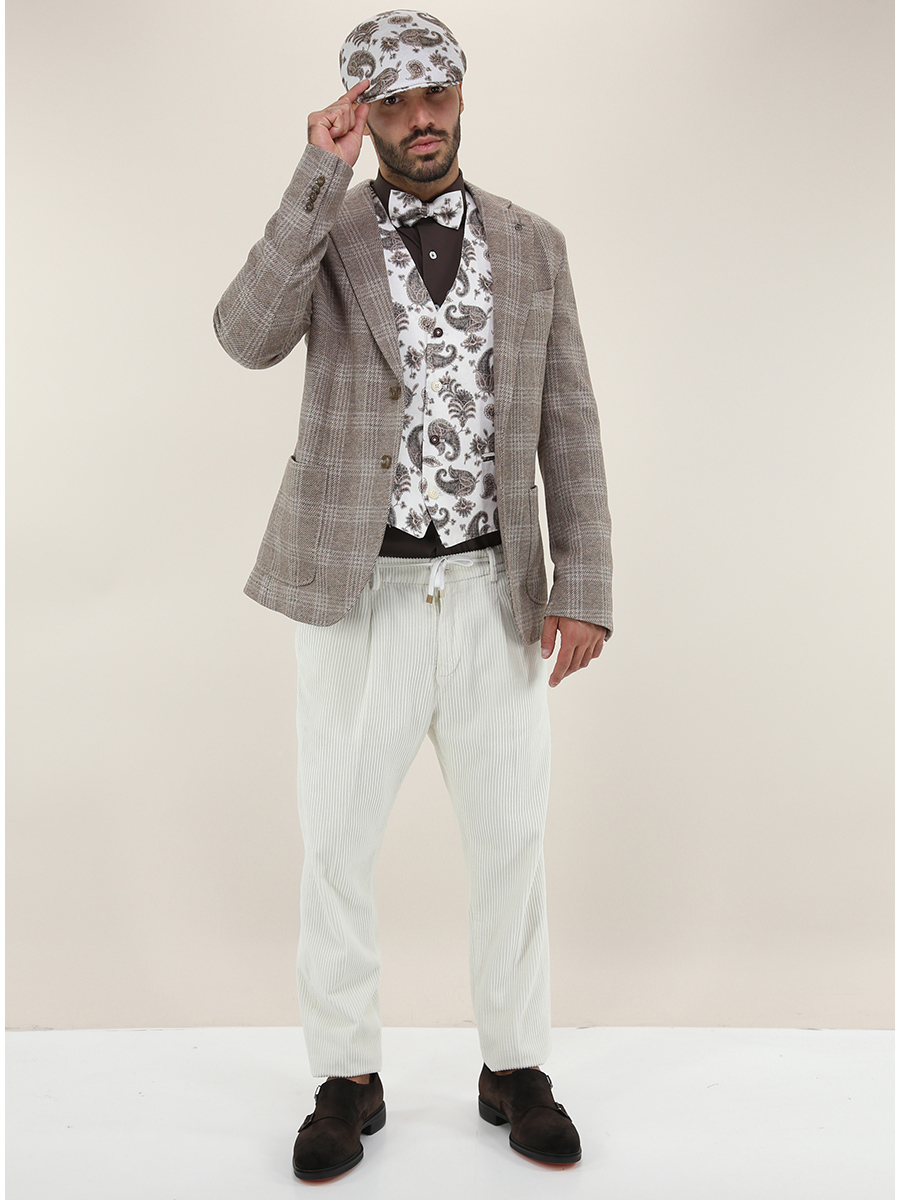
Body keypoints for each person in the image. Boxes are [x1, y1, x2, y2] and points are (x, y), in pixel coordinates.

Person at [214, 9, 612, 1182]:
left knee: (513, 840)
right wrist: (314, 176)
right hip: (359, 590)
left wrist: (585, 582)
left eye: (435, 95)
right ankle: (345, 1077)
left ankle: (515, 1065)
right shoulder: (327, 233)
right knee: (336, 843)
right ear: (363, 113)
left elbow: (570, 422)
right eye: (391, 103)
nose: (420, 119)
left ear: (461, 96)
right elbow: (244, 336)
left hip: (495, 586)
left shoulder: (534, 245)